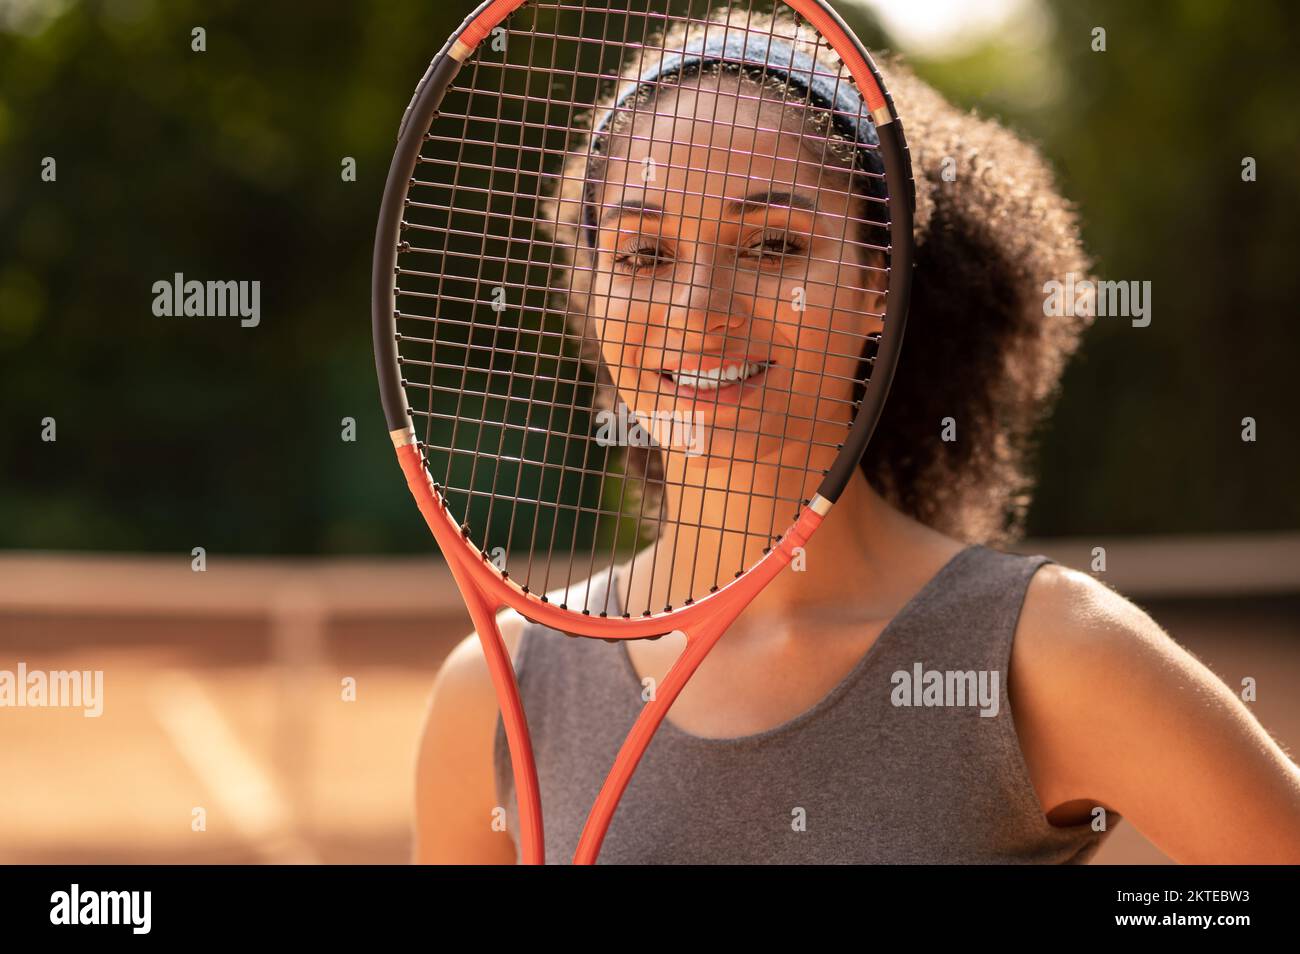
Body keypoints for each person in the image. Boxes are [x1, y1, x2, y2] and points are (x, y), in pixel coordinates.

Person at [415, 10, 1300, 863]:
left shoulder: (1053, 650)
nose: (697, 311)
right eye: (643, 256)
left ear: (882, 280)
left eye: (772, 246)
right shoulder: (498, 691)